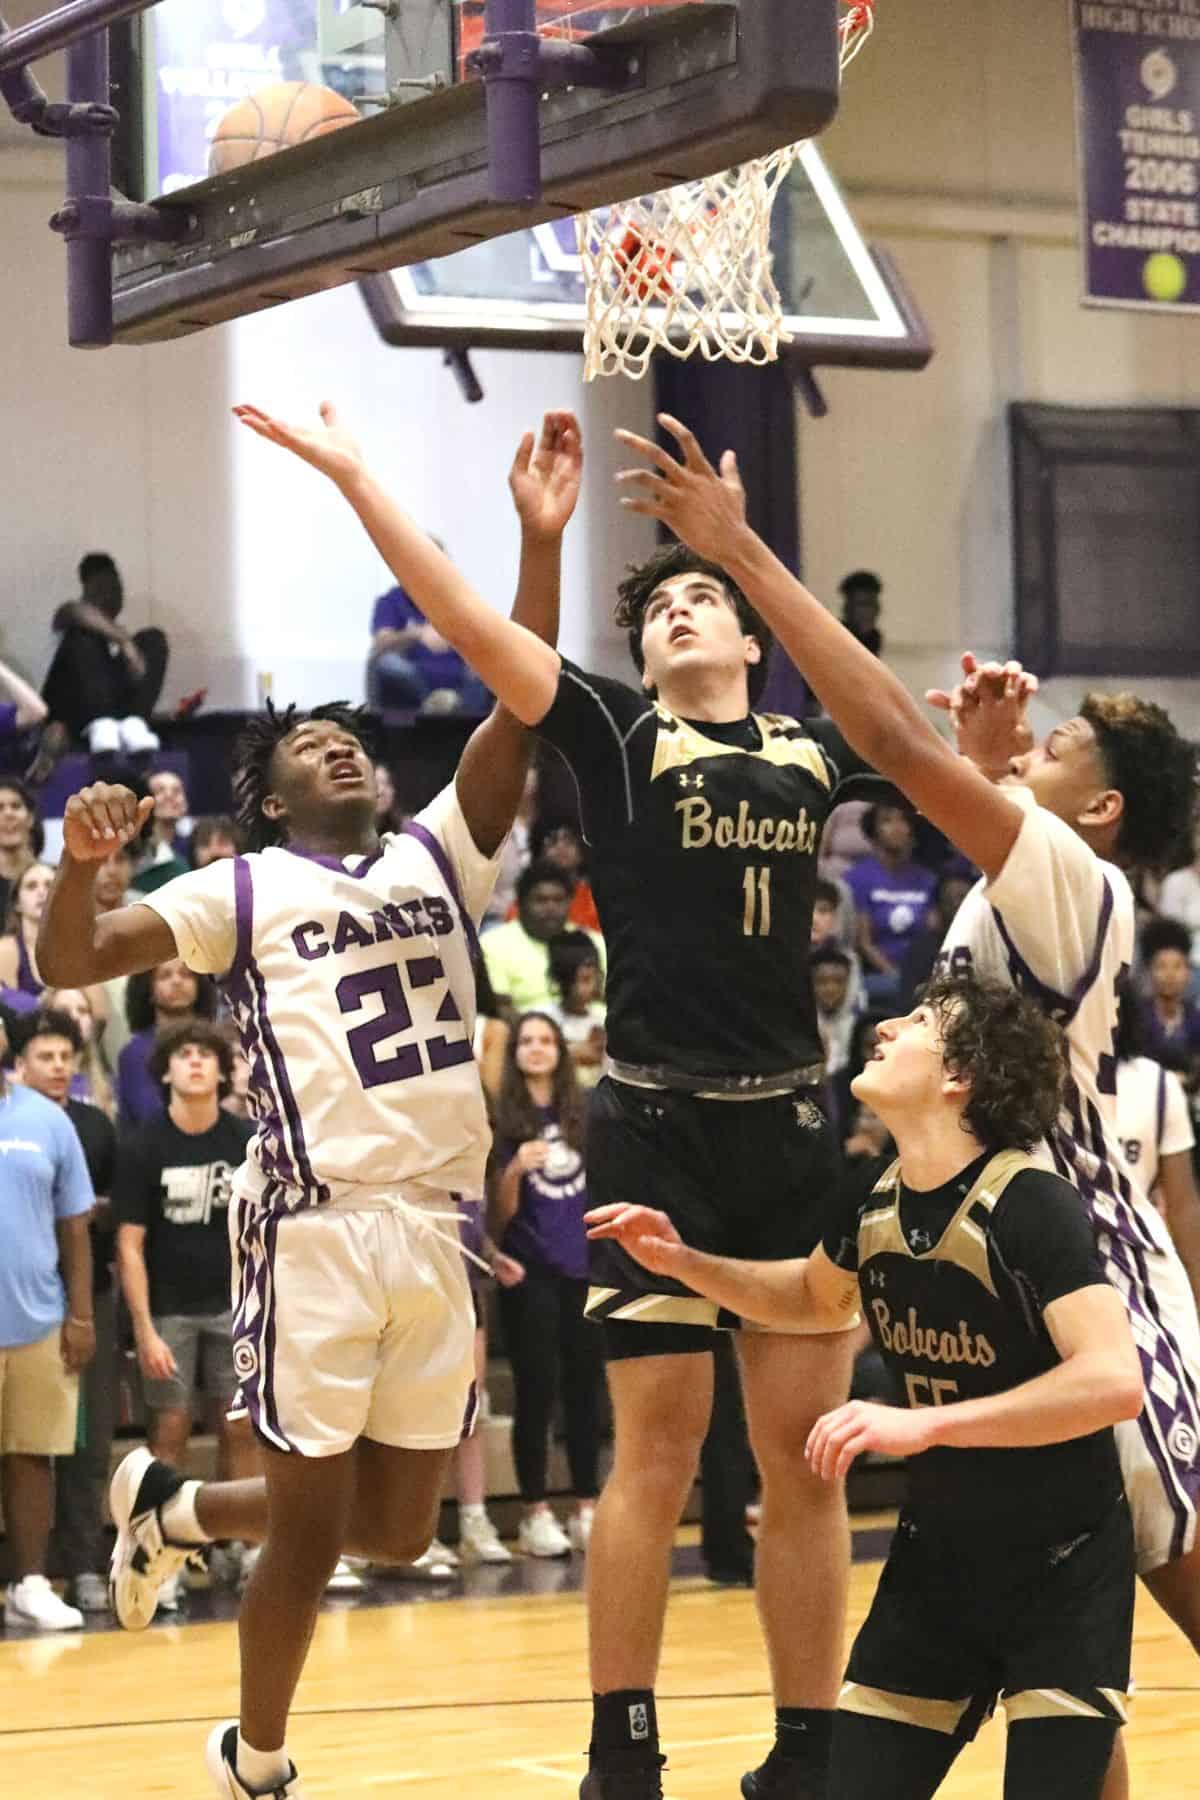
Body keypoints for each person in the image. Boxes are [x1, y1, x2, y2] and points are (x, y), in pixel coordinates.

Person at [221, 396, 890, 1800]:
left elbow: (920, 748)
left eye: (710, 597)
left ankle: (810, 1748)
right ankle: (621, 1748)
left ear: (754, 637)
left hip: (794, 1126)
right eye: (663, 608)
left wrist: (753, 556)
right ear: (640, 653)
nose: (686, 613)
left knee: (805, 1464)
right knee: (653, 1454)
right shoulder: (616, 733)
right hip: (654, 1120)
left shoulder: (815, 748)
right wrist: (358, 473)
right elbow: (471, 622)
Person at [613, 418, 1200, 1800]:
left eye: (1053, 747)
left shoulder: (1073, 879)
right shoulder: (1038, 876)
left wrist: (739, 551)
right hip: (998, 1275)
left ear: (1098, 809)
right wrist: (993, 766)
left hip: (1089, 1282)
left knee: (1158, 1577)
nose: (1023, 745)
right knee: (1074, 1645)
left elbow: (879, 732)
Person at [37, 405, 580, 1800]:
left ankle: (169, 1513)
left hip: (435, 1230)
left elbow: (525, 692)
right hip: (314, 1227)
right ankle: (257, 1762)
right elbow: (75, 963)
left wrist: (536, 542)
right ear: (267, 802)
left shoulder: (437, 853)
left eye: (353, 739)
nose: (340, 747)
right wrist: (91, 871)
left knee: (396, 1534)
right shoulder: (239, 888)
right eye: (310, 746)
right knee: (313, 1521)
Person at [587, 977, 1143, 1800]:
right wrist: (686, 1266)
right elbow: (811, 1298)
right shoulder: (873, 1197)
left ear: (962, 1076)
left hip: (1059, 1567)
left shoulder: (1031, 1204)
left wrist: (927, 1426)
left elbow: (1111, 1381)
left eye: (919, 1022)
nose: (887, 1025)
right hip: (938, 1567)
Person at [114, 1020, 257, 1609]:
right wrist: (144, 1328)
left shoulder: (244, 1138)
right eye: (185, 1055)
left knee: (238, 1425)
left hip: (235, 1306)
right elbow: (129, 1244)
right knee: (169, 1428)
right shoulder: (144, 1144)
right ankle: (159, 1548)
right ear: (166, 1071)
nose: (196, 1063)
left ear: (223, 1071)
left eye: (206, 1055)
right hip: (170, 1312)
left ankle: (238, 1546)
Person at [12, 1005, 117, 1614]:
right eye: (43, 1055)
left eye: (63, 1056)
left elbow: (83, 1222)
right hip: (25, 1308)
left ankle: (51, 1574)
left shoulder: (68, 1123)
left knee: (52, 1450)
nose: (55, 1066)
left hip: (55, 1307)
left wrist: (80, 1315)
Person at [489, 1011, 603, 1558]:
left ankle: (587, 1506)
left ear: (561, 1050)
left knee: (587, 1392)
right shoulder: (502, 1119)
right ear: (514, 1054)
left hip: (583, 1269)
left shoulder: (583, 1114)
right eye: (526, 1041)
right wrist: (513, 1170)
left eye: (546, 1041)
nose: (536, 1049)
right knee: (537, 1391)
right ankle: (535, 1512)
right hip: (528, 1271)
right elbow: (496, 1216)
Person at [0, 1009, 95, 1631]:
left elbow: (75, 1226)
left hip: (36, 1316)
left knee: (33, 1455)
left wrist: (82, 1314)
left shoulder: (47, 1118)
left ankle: (30, 1583)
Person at [1114, 994, 1200, 1311]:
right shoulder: (1039, 1082)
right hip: (1058, 1269)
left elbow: (1183, 1206)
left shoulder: (1157, 1084)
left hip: (1142, 1270)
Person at [41, 552, 166, 756]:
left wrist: (129, 647)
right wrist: (124, 641)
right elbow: (72, 611)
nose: (111, 595)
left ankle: (134, 725)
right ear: (86, 591)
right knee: (85, 637)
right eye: (102, 588)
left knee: (153, 638)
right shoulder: (71, 620)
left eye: (116, 588)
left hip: (117, 721)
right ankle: (102, 724)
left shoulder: (124, 643)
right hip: (71, 718)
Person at [482, 860, 604, 1021]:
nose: (551, 908)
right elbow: (500, 1009)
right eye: (541, 900)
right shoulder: (493, 944)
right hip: (529, 1040)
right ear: (521, 903)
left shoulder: (595, 942)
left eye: (558, 900)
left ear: (570, 902)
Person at [845, 798, 937, 1005]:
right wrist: (894, 974)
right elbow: (864, 942)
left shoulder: (927, 879)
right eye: (887, 821)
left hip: (921, 971)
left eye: (903, 820)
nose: (896, 827)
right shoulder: (858, 878)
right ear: (874, 831)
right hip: (880, 973)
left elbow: (932, 934)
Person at [367, 575, 491, 717]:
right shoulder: (391, 602)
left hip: (458, 679)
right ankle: (434, 704)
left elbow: (478, 642)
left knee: (488, 666)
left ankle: (457, 708)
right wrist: (417, 634)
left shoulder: (459, 603)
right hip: (414, 678)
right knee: (388, 663)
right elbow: (382, 642)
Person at [117, 958, 219, 1128]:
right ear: (148, 988)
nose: (177, 981)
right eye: (165, 976)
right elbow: (145, 1114)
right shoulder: (134, 1053)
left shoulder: (218, 1045)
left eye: (186, 974)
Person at [895, 864, 974, 1014]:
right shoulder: (921, 949)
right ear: (939, 906)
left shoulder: (988, 942)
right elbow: (908, 1003)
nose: (956, 905)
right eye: (949, 900)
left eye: (962, 898)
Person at [1138, 917, 1200, 1081]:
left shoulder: (1196, 1020)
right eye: (1161, 966)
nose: (1170, 975)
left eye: (1177, 966)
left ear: (1188, 972)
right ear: (1149, 971)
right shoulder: (1136, 1018)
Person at [43, 984, 115, 1116]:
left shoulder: (108, 1084)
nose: (75, 1017)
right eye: (64, 1011)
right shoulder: (27, 1082)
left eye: (82, 1011)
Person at [547, 929, 607, 1088]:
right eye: (572, 980)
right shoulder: (543, 1019)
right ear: (556, 979)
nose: (579, 989)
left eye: (587, 979)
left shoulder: (605, 1019)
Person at [0, 860, 55, 1001]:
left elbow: (100, 1013)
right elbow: (9, 1013)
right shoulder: (6, 950)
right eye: (31, 886)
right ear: (17, 902)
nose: (42, 892)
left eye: (49, 885)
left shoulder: (76, 948)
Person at [838, 571, 883, 657]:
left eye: (872, 603)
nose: (869, 610)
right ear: (848, 609)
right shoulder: (836, 640)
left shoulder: (873, 639)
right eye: (862, 604)